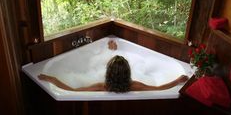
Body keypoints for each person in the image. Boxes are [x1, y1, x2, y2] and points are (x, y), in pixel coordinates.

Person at [38, 55, 189, 92]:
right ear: (128, 73)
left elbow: (72, 90)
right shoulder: (134, 85)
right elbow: (158, 89)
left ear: (108, 73)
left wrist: (51, 78)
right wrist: (177, 80)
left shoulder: (101, 86)